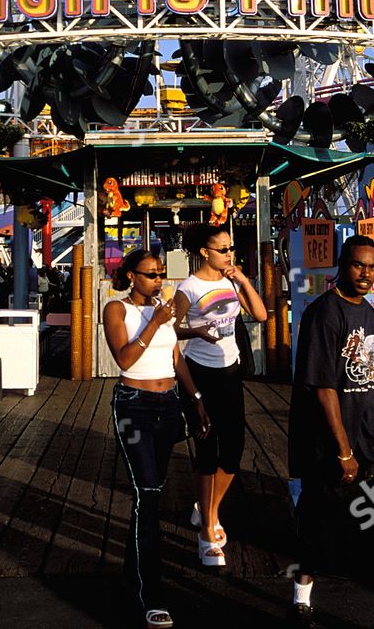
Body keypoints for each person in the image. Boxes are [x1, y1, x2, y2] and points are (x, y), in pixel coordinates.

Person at [288, 236, 374, 627]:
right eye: (358, 265)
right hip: (334, 441)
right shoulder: (323, 314)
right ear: (341, 266)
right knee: (318, 521)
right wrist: (343, 450)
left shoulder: (368, 313)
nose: (366, 274)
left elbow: (369, 372)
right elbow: (323, 386)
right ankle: (301, 600)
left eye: (372, 267)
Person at [103, 248, 209, 629]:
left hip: (168, 404)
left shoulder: (164, 309)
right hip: (134, 404)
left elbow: (176, 356)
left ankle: (134, 574)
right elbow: (126, 359)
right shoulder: (117, 310)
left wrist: (196, 399)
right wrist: (155, 321)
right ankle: (152, 592)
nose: (157, 281)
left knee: (153, 492)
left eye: (161, 274)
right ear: (131, 276)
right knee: (146, 493)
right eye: (149, 275)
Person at [171, 223, 267, 566]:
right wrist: (195, 330)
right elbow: (170, 329)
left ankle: (208, 509)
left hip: (231, 372)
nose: (229, 254)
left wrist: (241, 279)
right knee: (207, 451)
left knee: (234, 449)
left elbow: (261, 314)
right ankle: (207, 532)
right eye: (223, 249)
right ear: (204, 253)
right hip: (200, 373)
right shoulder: (189, 287)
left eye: (231, 248)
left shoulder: (230, 281)